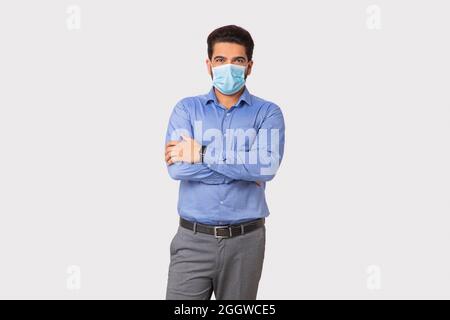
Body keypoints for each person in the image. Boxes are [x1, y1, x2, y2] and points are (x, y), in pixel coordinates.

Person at [164, 25, 285, 300]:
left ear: (250, 66)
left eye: (237, 61)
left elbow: (265, 168)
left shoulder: (268, 113)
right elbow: (178, 168)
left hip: (246, 242)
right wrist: (243, 169)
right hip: (192, 240)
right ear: (208, 65)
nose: (228, 67)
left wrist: (202, 153)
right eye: (220, 60)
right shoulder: (186, 109)